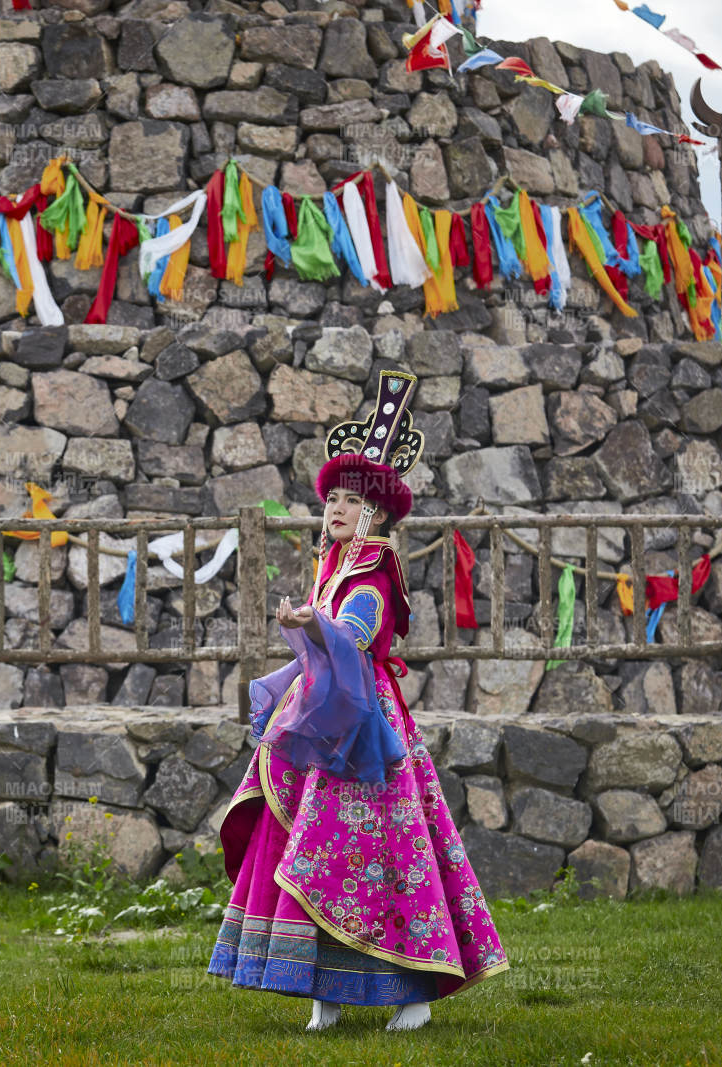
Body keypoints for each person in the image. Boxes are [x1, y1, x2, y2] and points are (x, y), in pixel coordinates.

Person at [207, 369, 509, 1032]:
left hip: (366, 732)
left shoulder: (372, 574)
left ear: (375, 514)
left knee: (381, 853)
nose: (336, 508)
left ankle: (412, 990)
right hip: (324, 723)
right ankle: (327, 991)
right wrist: (309, 625)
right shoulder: (334, 568)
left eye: (350, 499)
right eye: (332, 498)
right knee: (307, 848)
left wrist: (314, 626)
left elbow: (356, 634)